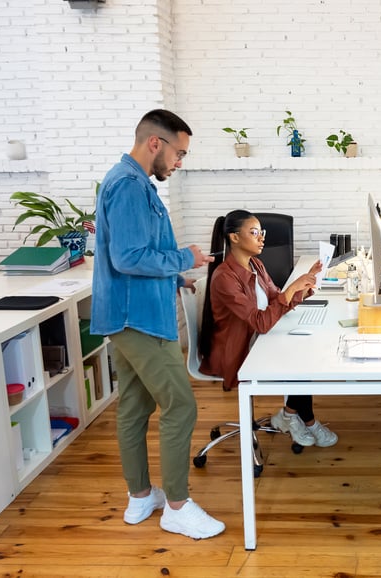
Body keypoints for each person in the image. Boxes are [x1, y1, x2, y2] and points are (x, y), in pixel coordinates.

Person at [91, 109, 225, 540]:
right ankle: (178, 507)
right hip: (140, 319)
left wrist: (175, 274)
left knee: (134, 407)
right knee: (180, 405)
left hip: (128, 314)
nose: (180, 162)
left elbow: (139, 253)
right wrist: (184, 257)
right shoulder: (129, 186)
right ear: (155, 143)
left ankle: (139, 497)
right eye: (179, 153)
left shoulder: (129, 181)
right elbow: (127, 258)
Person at [200, 209, 339, 448]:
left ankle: (290, 416)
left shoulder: (256, 264)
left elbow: (276, 299)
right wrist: (291, 289)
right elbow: (261, 322)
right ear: (234, 237)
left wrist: (303, 286)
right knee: (301, 357)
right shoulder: (225, 278)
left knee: (305, 348)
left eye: (261, 232)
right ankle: (301, 419)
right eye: (254, 233)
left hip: (256, 338)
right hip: (238, 350)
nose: (262, 238)